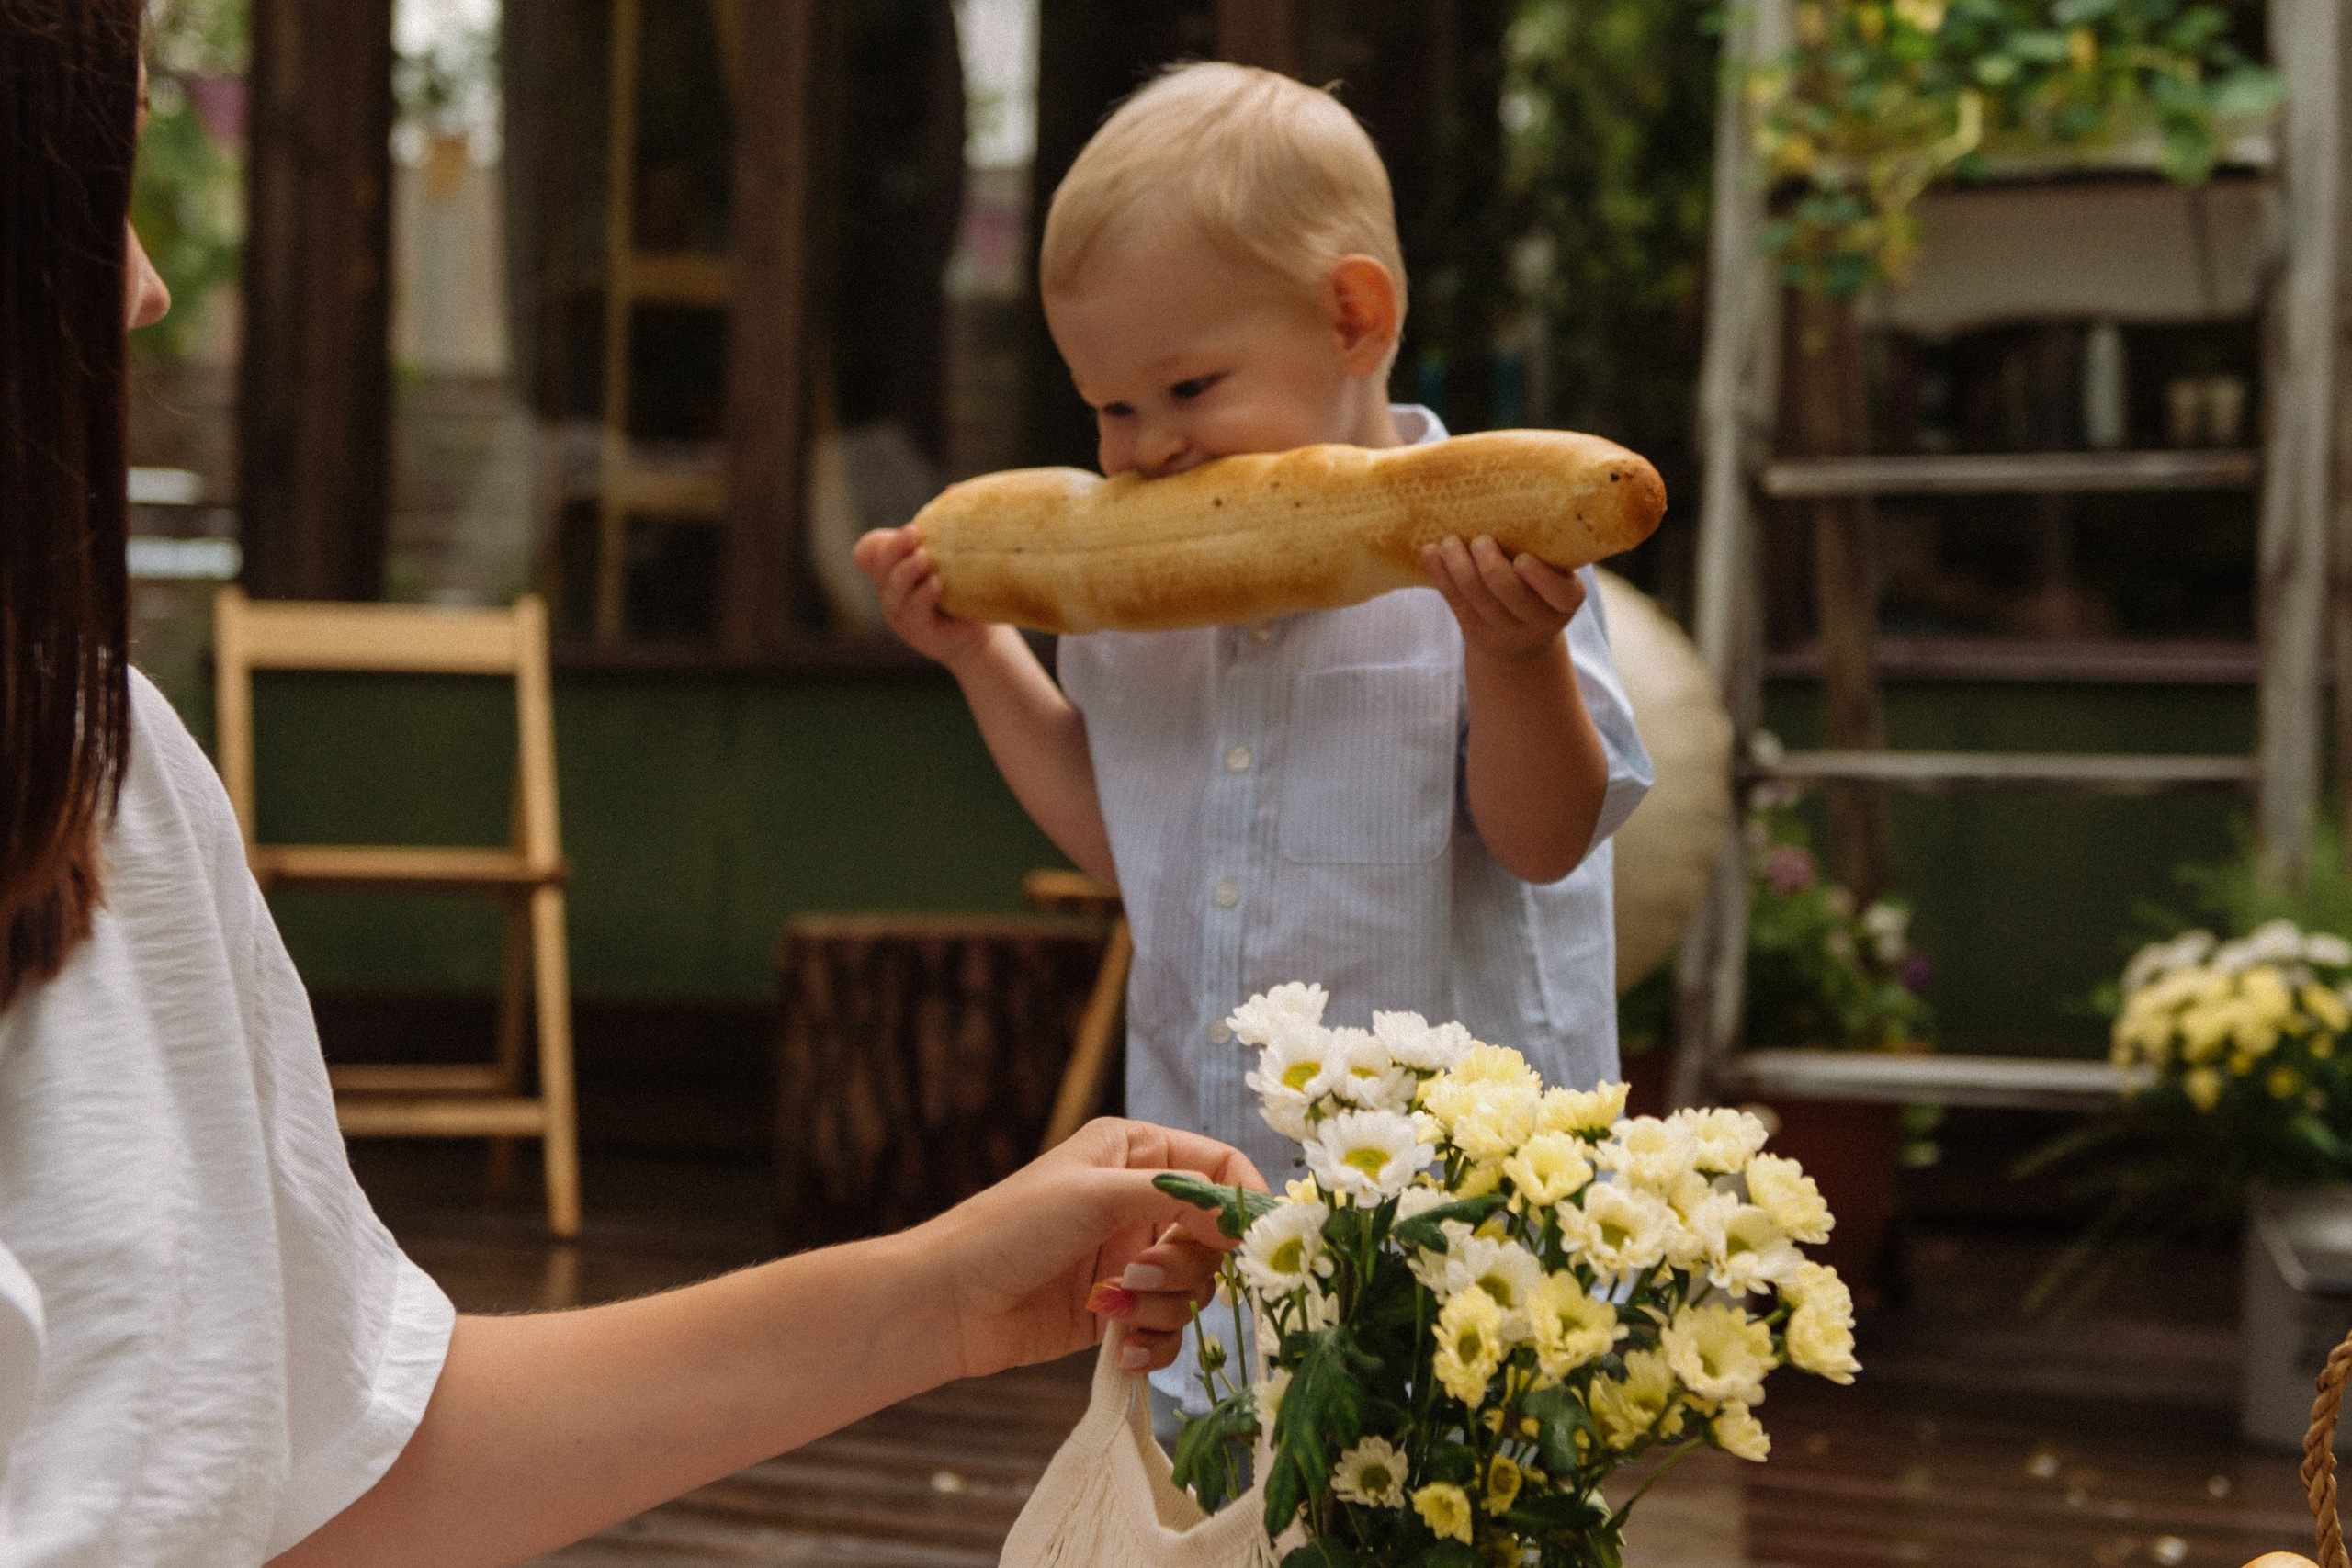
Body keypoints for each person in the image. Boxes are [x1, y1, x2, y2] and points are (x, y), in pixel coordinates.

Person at [0, 8, 1259, 1565]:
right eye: (88, 177)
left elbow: (340, 1456)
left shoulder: (107, 777)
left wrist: (940, 1295)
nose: (142, 284)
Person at [854, 62, 1653, 1427]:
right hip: (1216, 1225)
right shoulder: (1124, 607)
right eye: (1109, 407)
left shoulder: (1481, 559)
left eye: (1187, 386)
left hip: (1453, 1228)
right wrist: (979, 654)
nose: (1148, 449)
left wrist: (1514, 659)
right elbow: (1128, 843)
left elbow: (1545, 837)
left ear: (1352, 318)